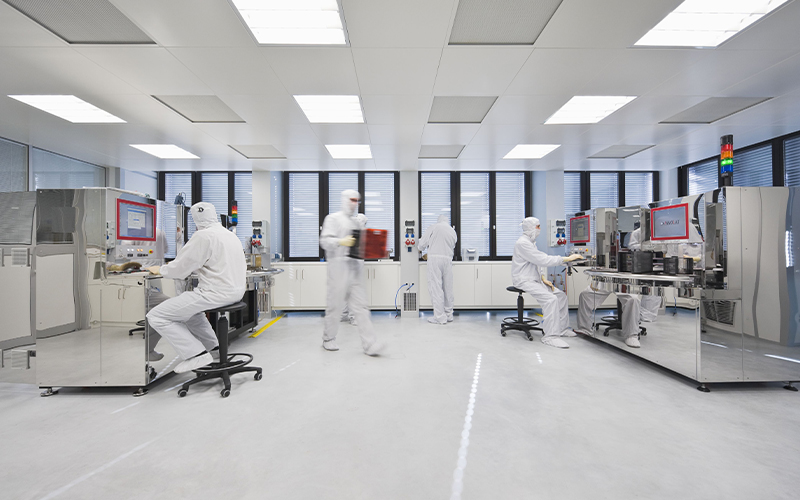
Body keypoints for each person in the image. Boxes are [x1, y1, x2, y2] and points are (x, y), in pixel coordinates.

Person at [145, 202, 246, 373]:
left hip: (214, 293)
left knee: (156, 316)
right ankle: (213, 348)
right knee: (192, 312)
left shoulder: (203, 236)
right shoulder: (229, 235)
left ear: (195, 219)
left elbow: (181, 268)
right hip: (235, 293)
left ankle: (196, 354)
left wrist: (161, 270)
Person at [320, 190, 382, 355]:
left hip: (354, 268)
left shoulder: (355, 222)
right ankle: (328, 339)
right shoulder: (332, 219)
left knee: (361, 307)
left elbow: (361, 245)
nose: (355, 204)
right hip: (337, 268)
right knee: (335, 306)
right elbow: (324, 241)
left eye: (357, 201)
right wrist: (340, 241)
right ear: (344, 200)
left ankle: (370, 344)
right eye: (352, 200)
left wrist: (374, 246)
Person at [512, 217, 583, 348]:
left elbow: (536, 263)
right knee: (550, 300)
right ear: (530, 228)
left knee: (560, 296)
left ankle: (562, 329)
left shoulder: (531, 242)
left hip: (534, 279)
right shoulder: (522, 243)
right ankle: (550, 336)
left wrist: (543, 278)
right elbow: (542, 259)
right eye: (538, 226)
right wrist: (566, 258)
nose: (540, 229)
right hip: (524, 280)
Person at [418, 214, 458, 325]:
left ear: (438, 220)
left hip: (435, 260)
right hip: (448, 260)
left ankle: (440, 317)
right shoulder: (452, 231)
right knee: (448, 288)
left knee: (436, 288)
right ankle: (449, 315)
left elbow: (421, 244)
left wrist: (421, 248)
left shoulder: (434, 227)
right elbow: (451, 246)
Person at [575, 287, 642, 348]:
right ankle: (584, 328)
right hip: (605, 281)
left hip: (623, 283)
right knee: (585, 294)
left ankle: (631, 336)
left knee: (633, 299)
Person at [628, 224, 662, 322]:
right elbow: (631, 246)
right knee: (641, 289)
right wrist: (645, 246)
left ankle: (649, 314)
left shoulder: (658, 232)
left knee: (653, 289)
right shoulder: (637, 232)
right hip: (640, 263)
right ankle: (641, 314)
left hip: (655, 263)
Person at [341, 213, 368, 326]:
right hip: (355, 264)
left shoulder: (348, 230)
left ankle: (343, 314)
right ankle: (353, 317)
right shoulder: (360, 231)